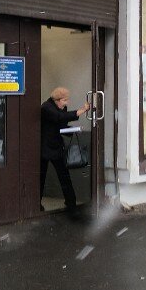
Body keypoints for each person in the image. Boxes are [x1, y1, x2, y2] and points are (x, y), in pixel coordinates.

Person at [40, 87, 90, 215]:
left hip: (56, 146)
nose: (66, 103)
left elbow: (61, 124)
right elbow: (58, 117)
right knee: (41, 177)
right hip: (44, 147)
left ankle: (71, 204)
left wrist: (73, 130)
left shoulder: (62, 108)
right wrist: (81, 111)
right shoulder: (46, 107)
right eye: (64, 100)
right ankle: (37, 204)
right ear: (56, 100)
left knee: (64, 177)